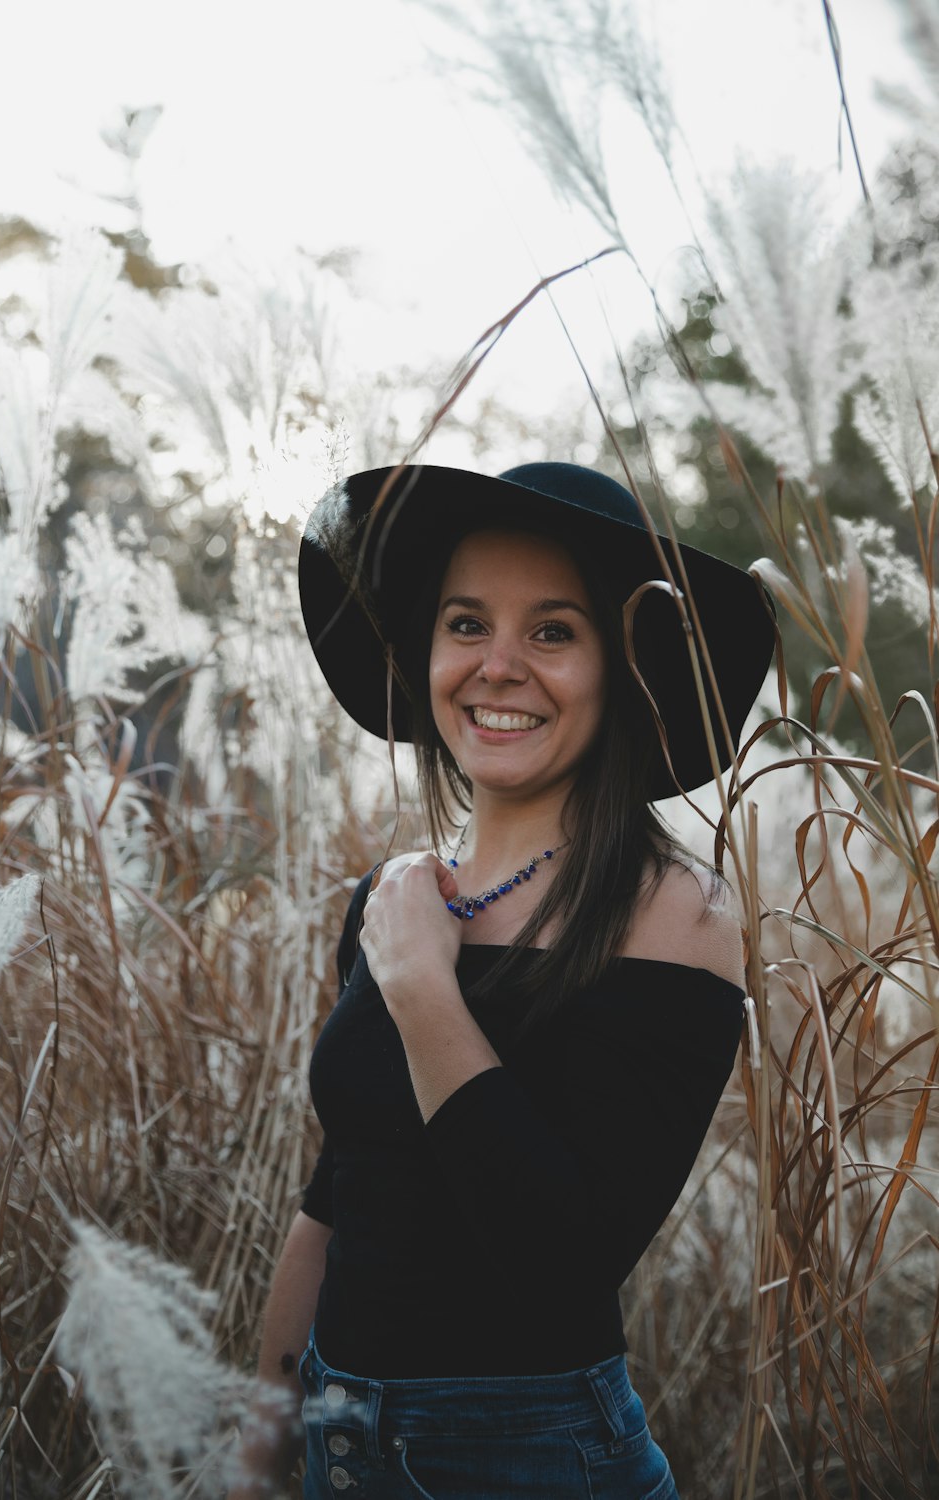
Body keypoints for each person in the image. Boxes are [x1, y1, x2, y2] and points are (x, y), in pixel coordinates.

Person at [230, 462, 775, 1499]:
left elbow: (558, 1255)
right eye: (466, 624)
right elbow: (336, 1196)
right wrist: (260, 1450)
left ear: (623, 666)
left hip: (526, 1458)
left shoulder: (674, 915)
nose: (499, 666)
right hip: (337, 1446)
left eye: (554, 631)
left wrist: (425, 993)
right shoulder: (393, 901)